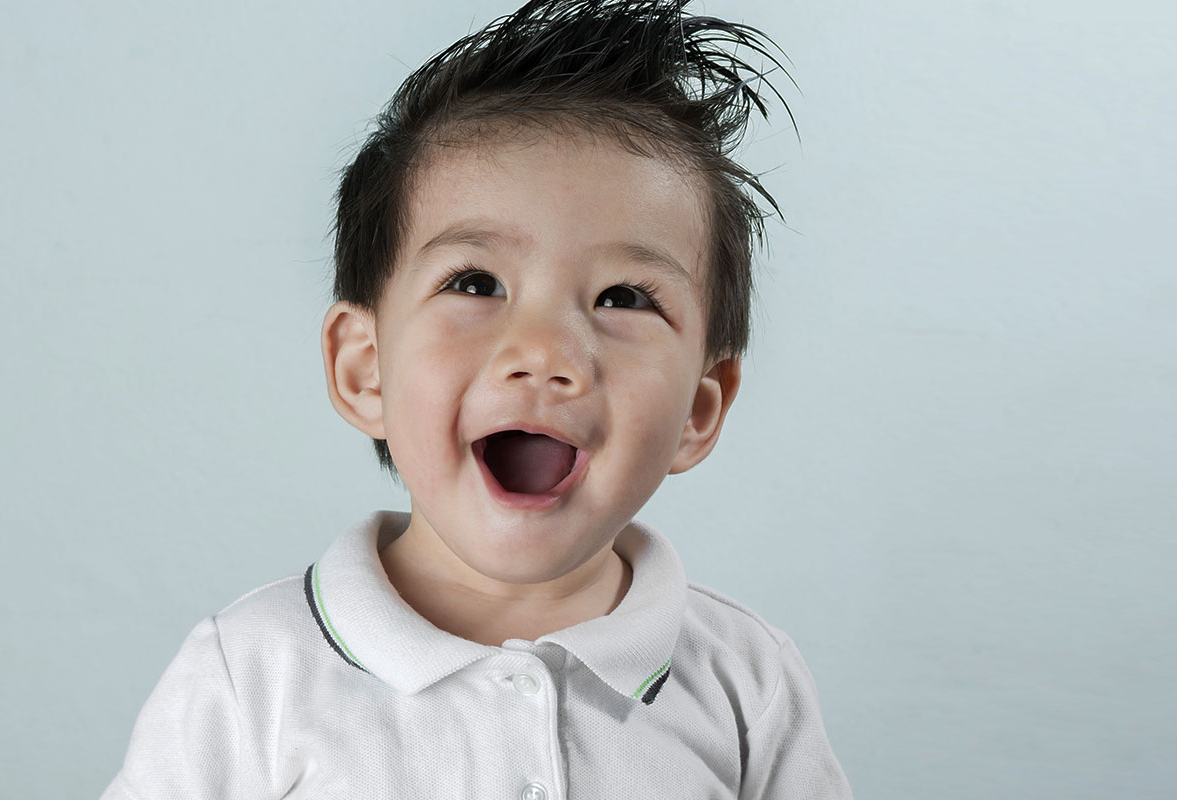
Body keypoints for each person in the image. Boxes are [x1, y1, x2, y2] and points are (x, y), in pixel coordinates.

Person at [102, 1, 851, 796]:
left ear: (700, 411)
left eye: (624, 297)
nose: (546, 355)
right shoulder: (250, 678)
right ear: (366, 371)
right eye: (475, 282)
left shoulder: (747, 683)